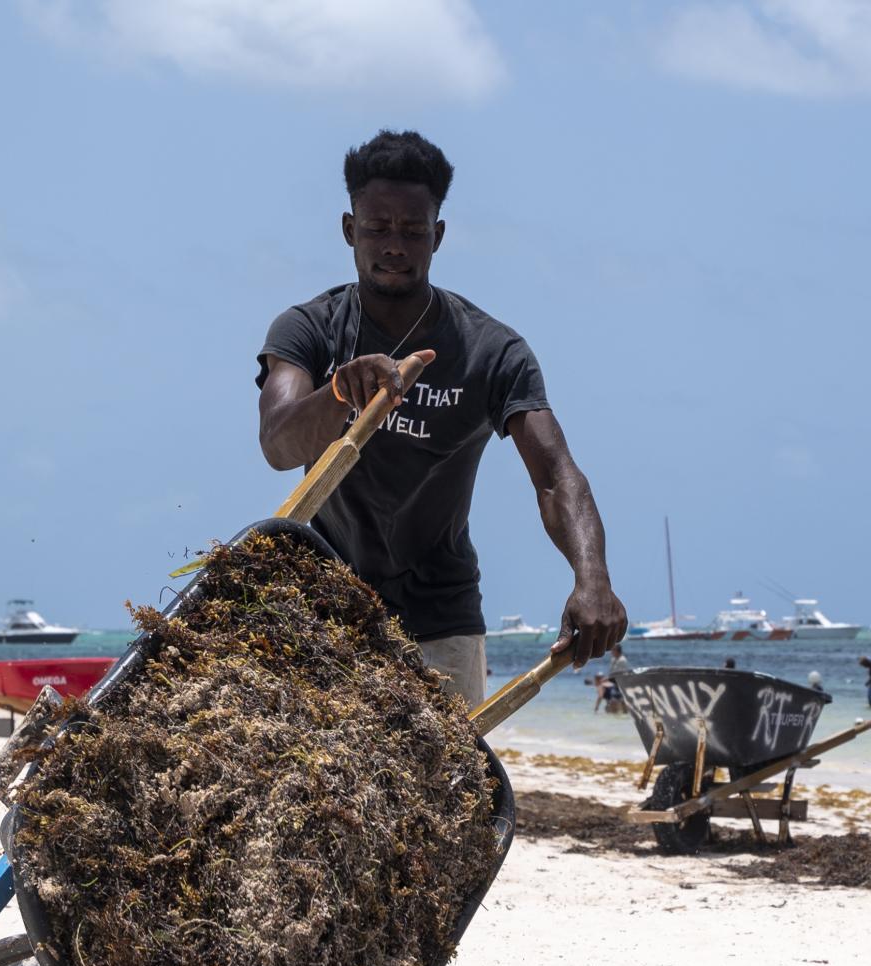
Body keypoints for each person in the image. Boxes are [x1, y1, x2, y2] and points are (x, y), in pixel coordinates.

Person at [255, 130, 625, 709]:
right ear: (350, 230)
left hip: (441, 617)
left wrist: (592, 578)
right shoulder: (308, 328)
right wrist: (339, 393)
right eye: (378, 228)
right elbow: (277, 445)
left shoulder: (491, 351)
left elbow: (555, 477)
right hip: (321, 610)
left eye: (412, 230)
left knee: (448, 796)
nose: (394, 245)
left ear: (438, 236)